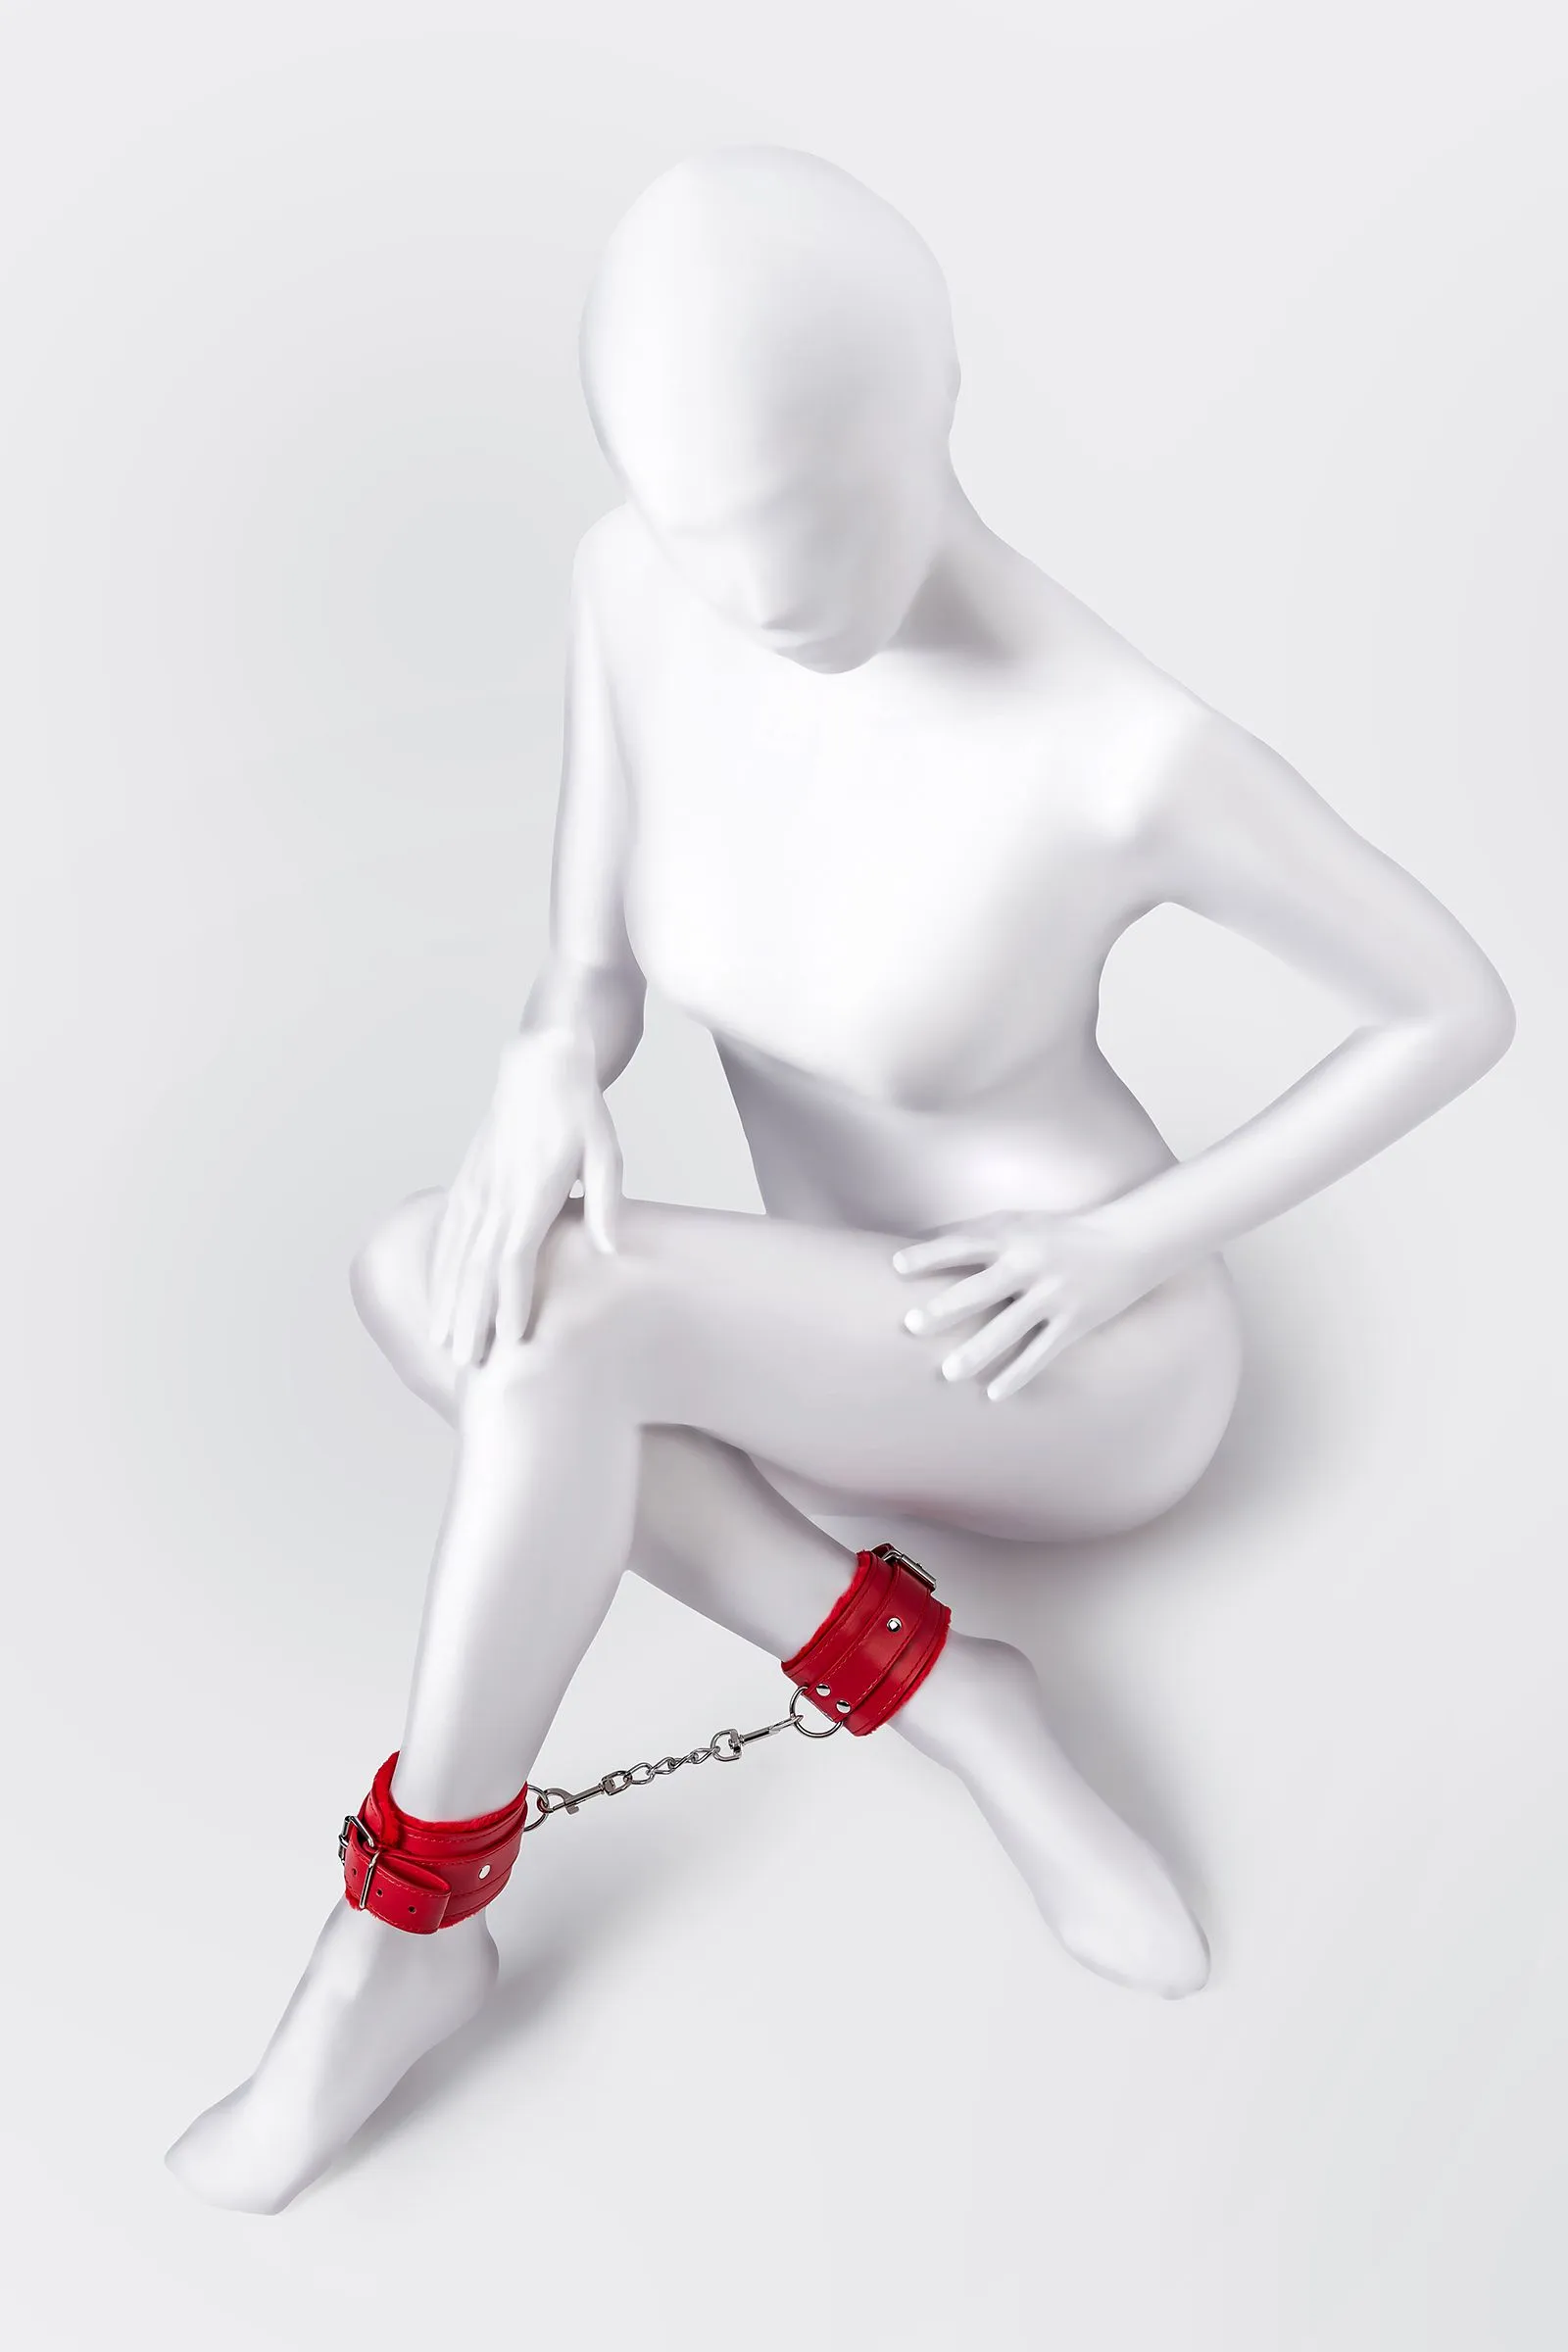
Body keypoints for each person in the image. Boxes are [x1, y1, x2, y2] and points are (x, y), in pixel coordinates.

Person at [167, 147, 1514, 2213]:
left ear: (929, 404)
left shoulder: (1116, 747)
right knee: (421, 1270)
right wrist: (547, 1064)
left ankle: (401, 1931)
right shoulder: (635, 591)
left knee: (547, 1327)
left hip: (1075, 1368)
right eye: (702, 530)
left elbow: (1452, 1006)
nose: (758, 590)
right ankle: (952, 1697)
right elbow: (591, 970)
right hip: (825, 1333)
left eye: (805, 516)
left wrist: (1123, 1243)